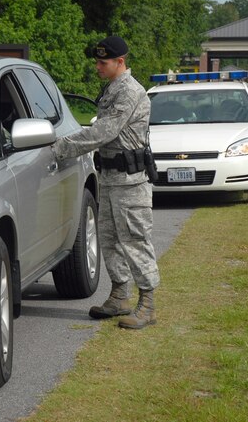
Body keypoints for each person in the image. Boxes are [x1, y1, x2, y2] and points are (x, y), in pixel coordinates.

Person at [53, 35, 160, 329]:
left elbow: (103, 132)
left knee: (135, 241)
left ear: (120, 62)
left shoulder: (129, 91)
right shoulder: (112, 88)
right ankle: (119, 296)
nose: (97, 67)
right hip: (112, 179)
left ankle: (148, 304)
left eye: (103, 62)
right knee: (110, 241)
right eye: (97, 61)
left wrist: (60, 148)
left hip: (130, 182)